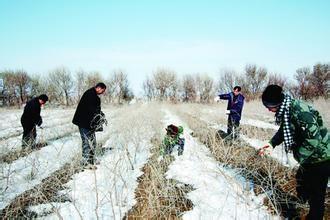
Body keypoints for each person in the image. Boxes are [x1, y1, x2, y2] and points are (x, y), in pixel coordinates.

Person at [258, 84, 329, 220]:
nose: (268, 110)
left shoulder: (300, 112)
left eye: (269, 107)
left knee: (317, 196)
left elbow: (314, 139)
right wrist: (271, 144)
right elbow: (285, 129)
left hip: (322, 157)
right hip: (310, 157)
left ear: (277, 103)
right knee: (302, 182)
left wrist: (298, 156)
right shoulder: (287, 109)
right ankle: (302, 205)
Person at [72, 82, 107, 168]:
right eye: (103, 90)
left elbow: (95, 110)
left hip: (88, 123)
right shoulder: (90, 94)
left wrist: (101, 115)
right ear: (98, 88)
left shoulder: (93, 95)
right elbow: (92, 110)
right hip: (84, 123)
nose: (103, 92)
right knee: (87, 142)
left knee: (92, 142)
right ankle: (86, 162)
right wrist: (99, 116)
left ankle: (90, 159)